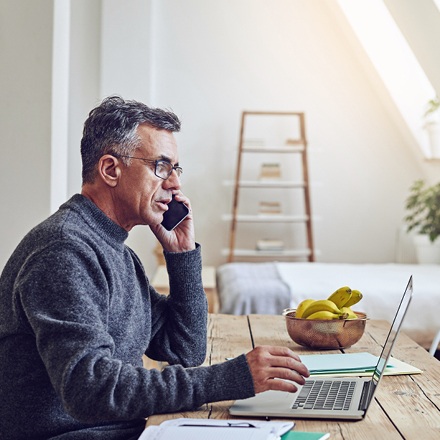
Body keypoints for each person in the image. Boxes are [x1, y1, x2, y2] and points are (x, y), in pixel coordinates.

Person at [0, 96, 309, 440]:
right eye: (161, 166)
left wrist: (181, 255)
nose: (175, 183)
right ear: (110, 170)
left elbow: (182, 349)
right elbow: (89, 388)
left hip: (128, 429)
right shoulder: (64, 251)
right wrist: (231, 377)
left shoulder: (117, 253)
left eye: (176, 169)